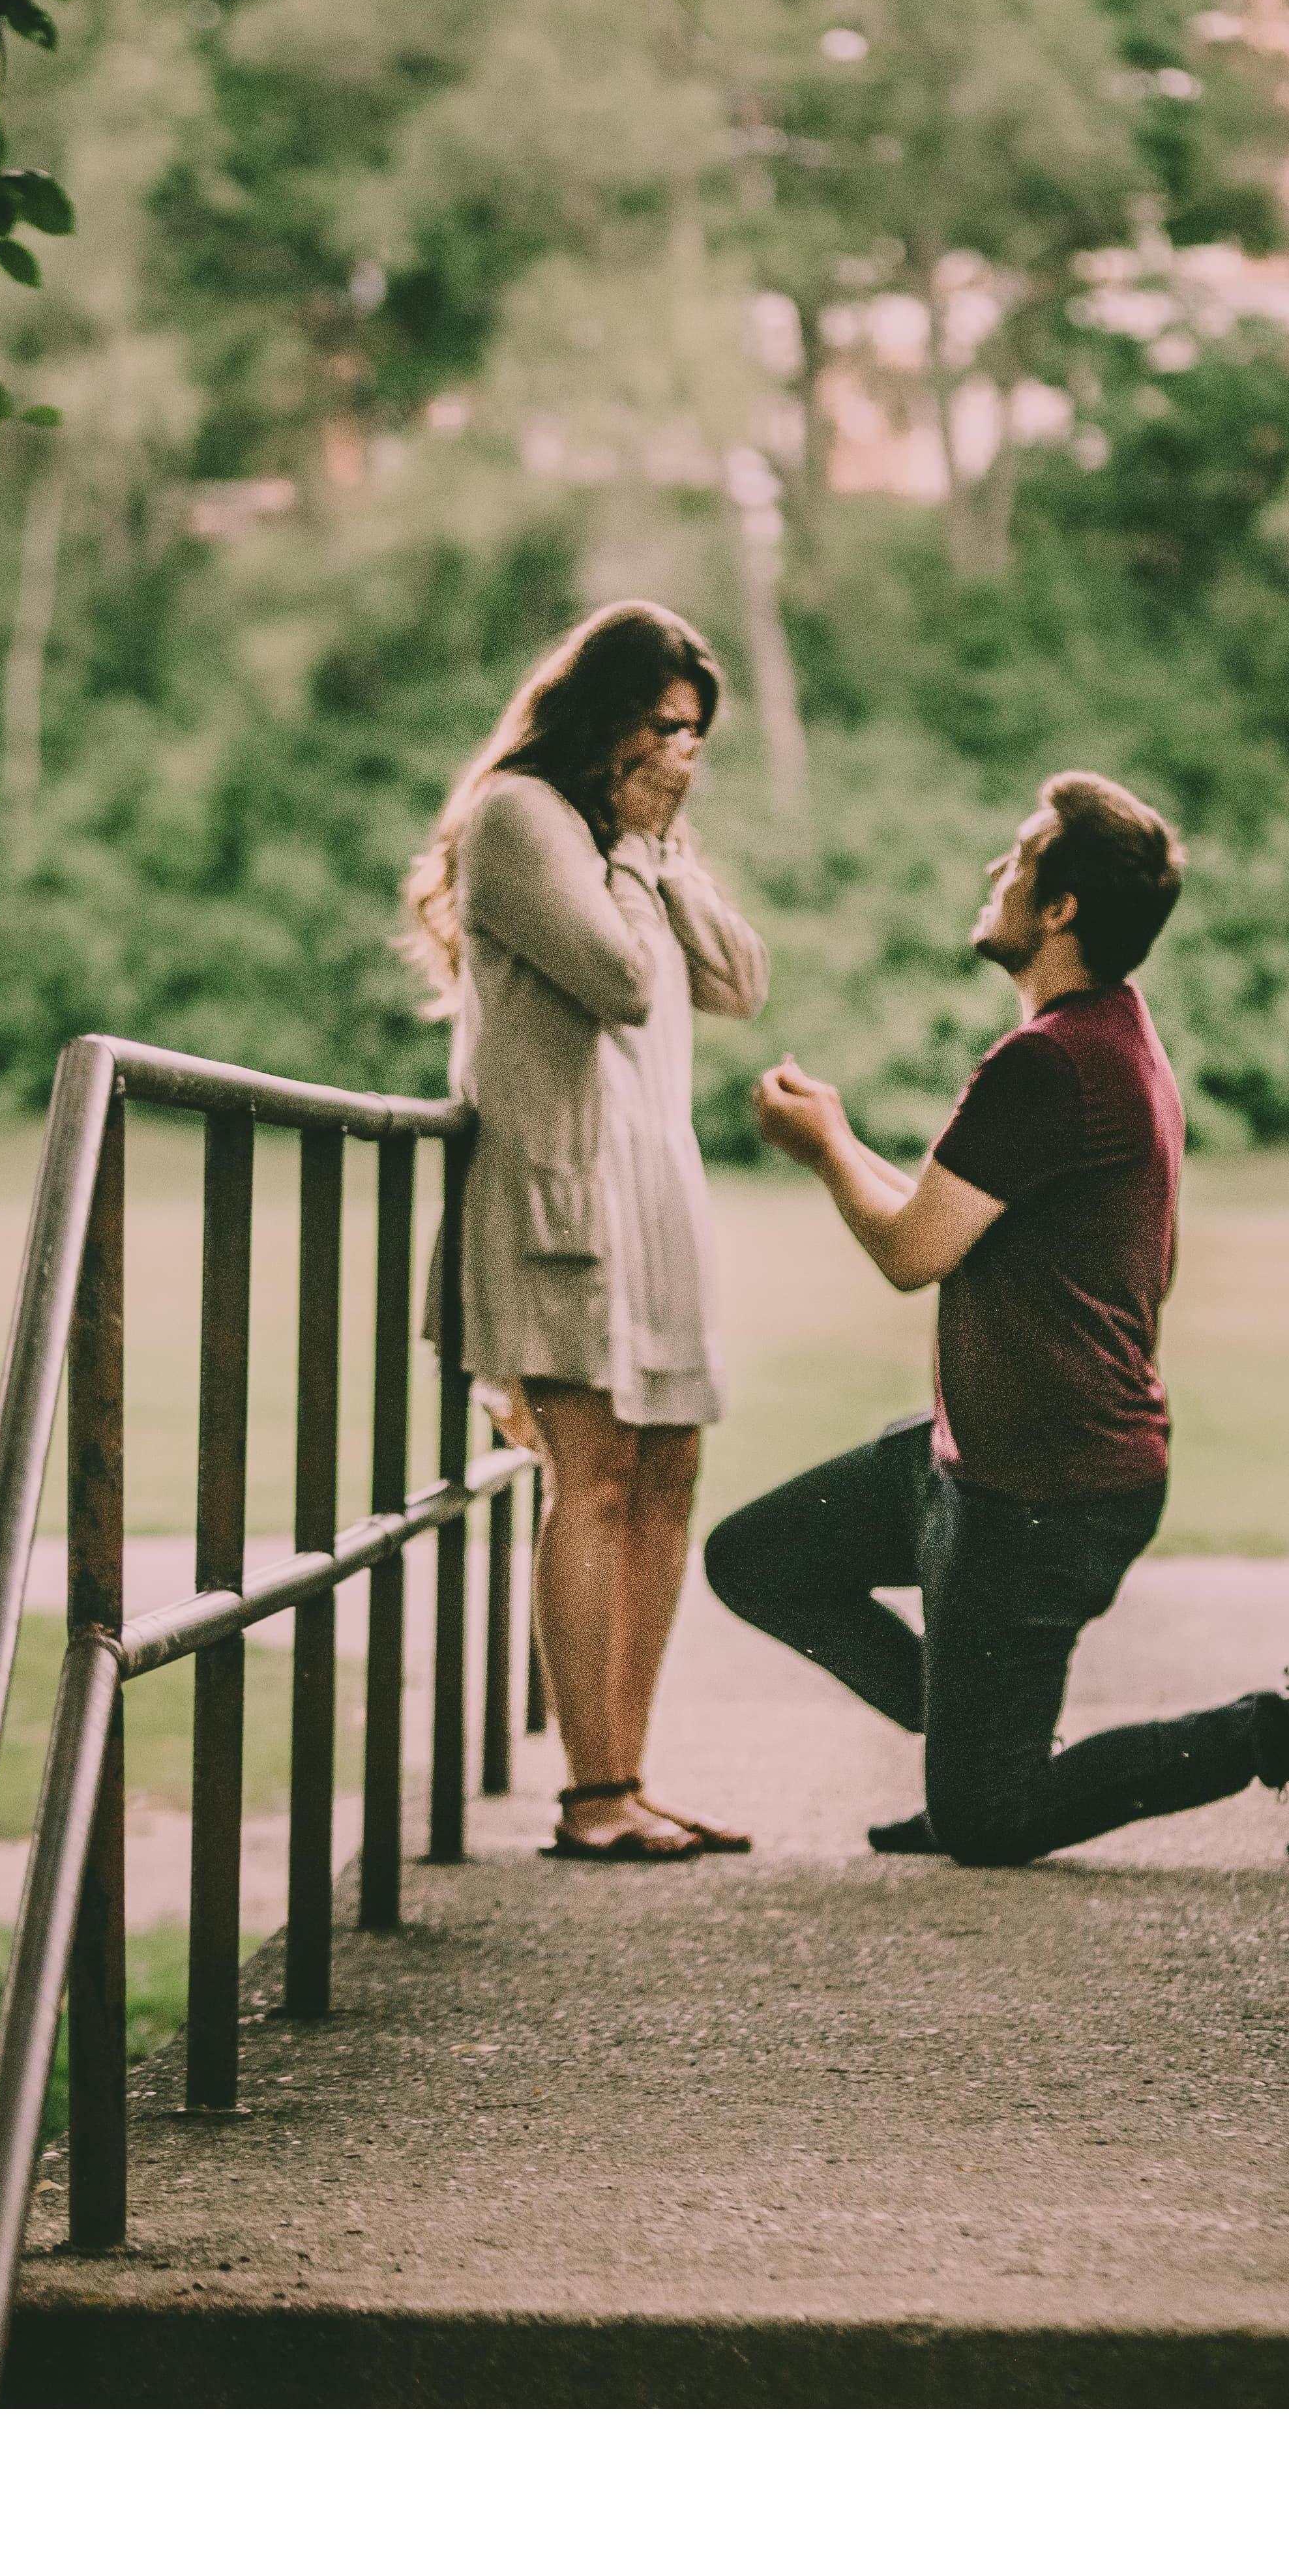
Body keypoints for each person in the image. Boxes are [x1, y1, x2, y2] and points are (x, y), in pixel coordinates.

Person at [706, 769, 1289, 1868]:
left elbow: (910, 1252)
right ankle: (982, 1743)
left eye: (1020, 857)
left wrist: (824, 1142)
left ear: (1062, 906)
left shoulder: (1053, 1064)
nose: (996, 872)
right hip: (963, 1469)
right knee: (759, 1561)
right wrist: (841, 1141)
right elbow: (944, 1221)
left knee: (992, 1823)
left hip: (1046, 1498)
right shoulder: (1106, 1037)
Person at [402, 601, 771, 1860]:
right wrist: (632, 850)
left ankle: (630, 1775)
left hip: (656, 1187)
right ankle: (590, 1794)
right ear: (604, 713)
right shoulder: (521, 818)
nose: (684, 754)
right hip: (563, 1193)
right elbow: (615, 980)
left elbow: (738, 981)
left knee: (670, 1473)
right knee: (596, 1477)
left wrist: (660, 852)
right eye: (666, 726)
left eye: (698, 735)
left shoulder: (633, 838)